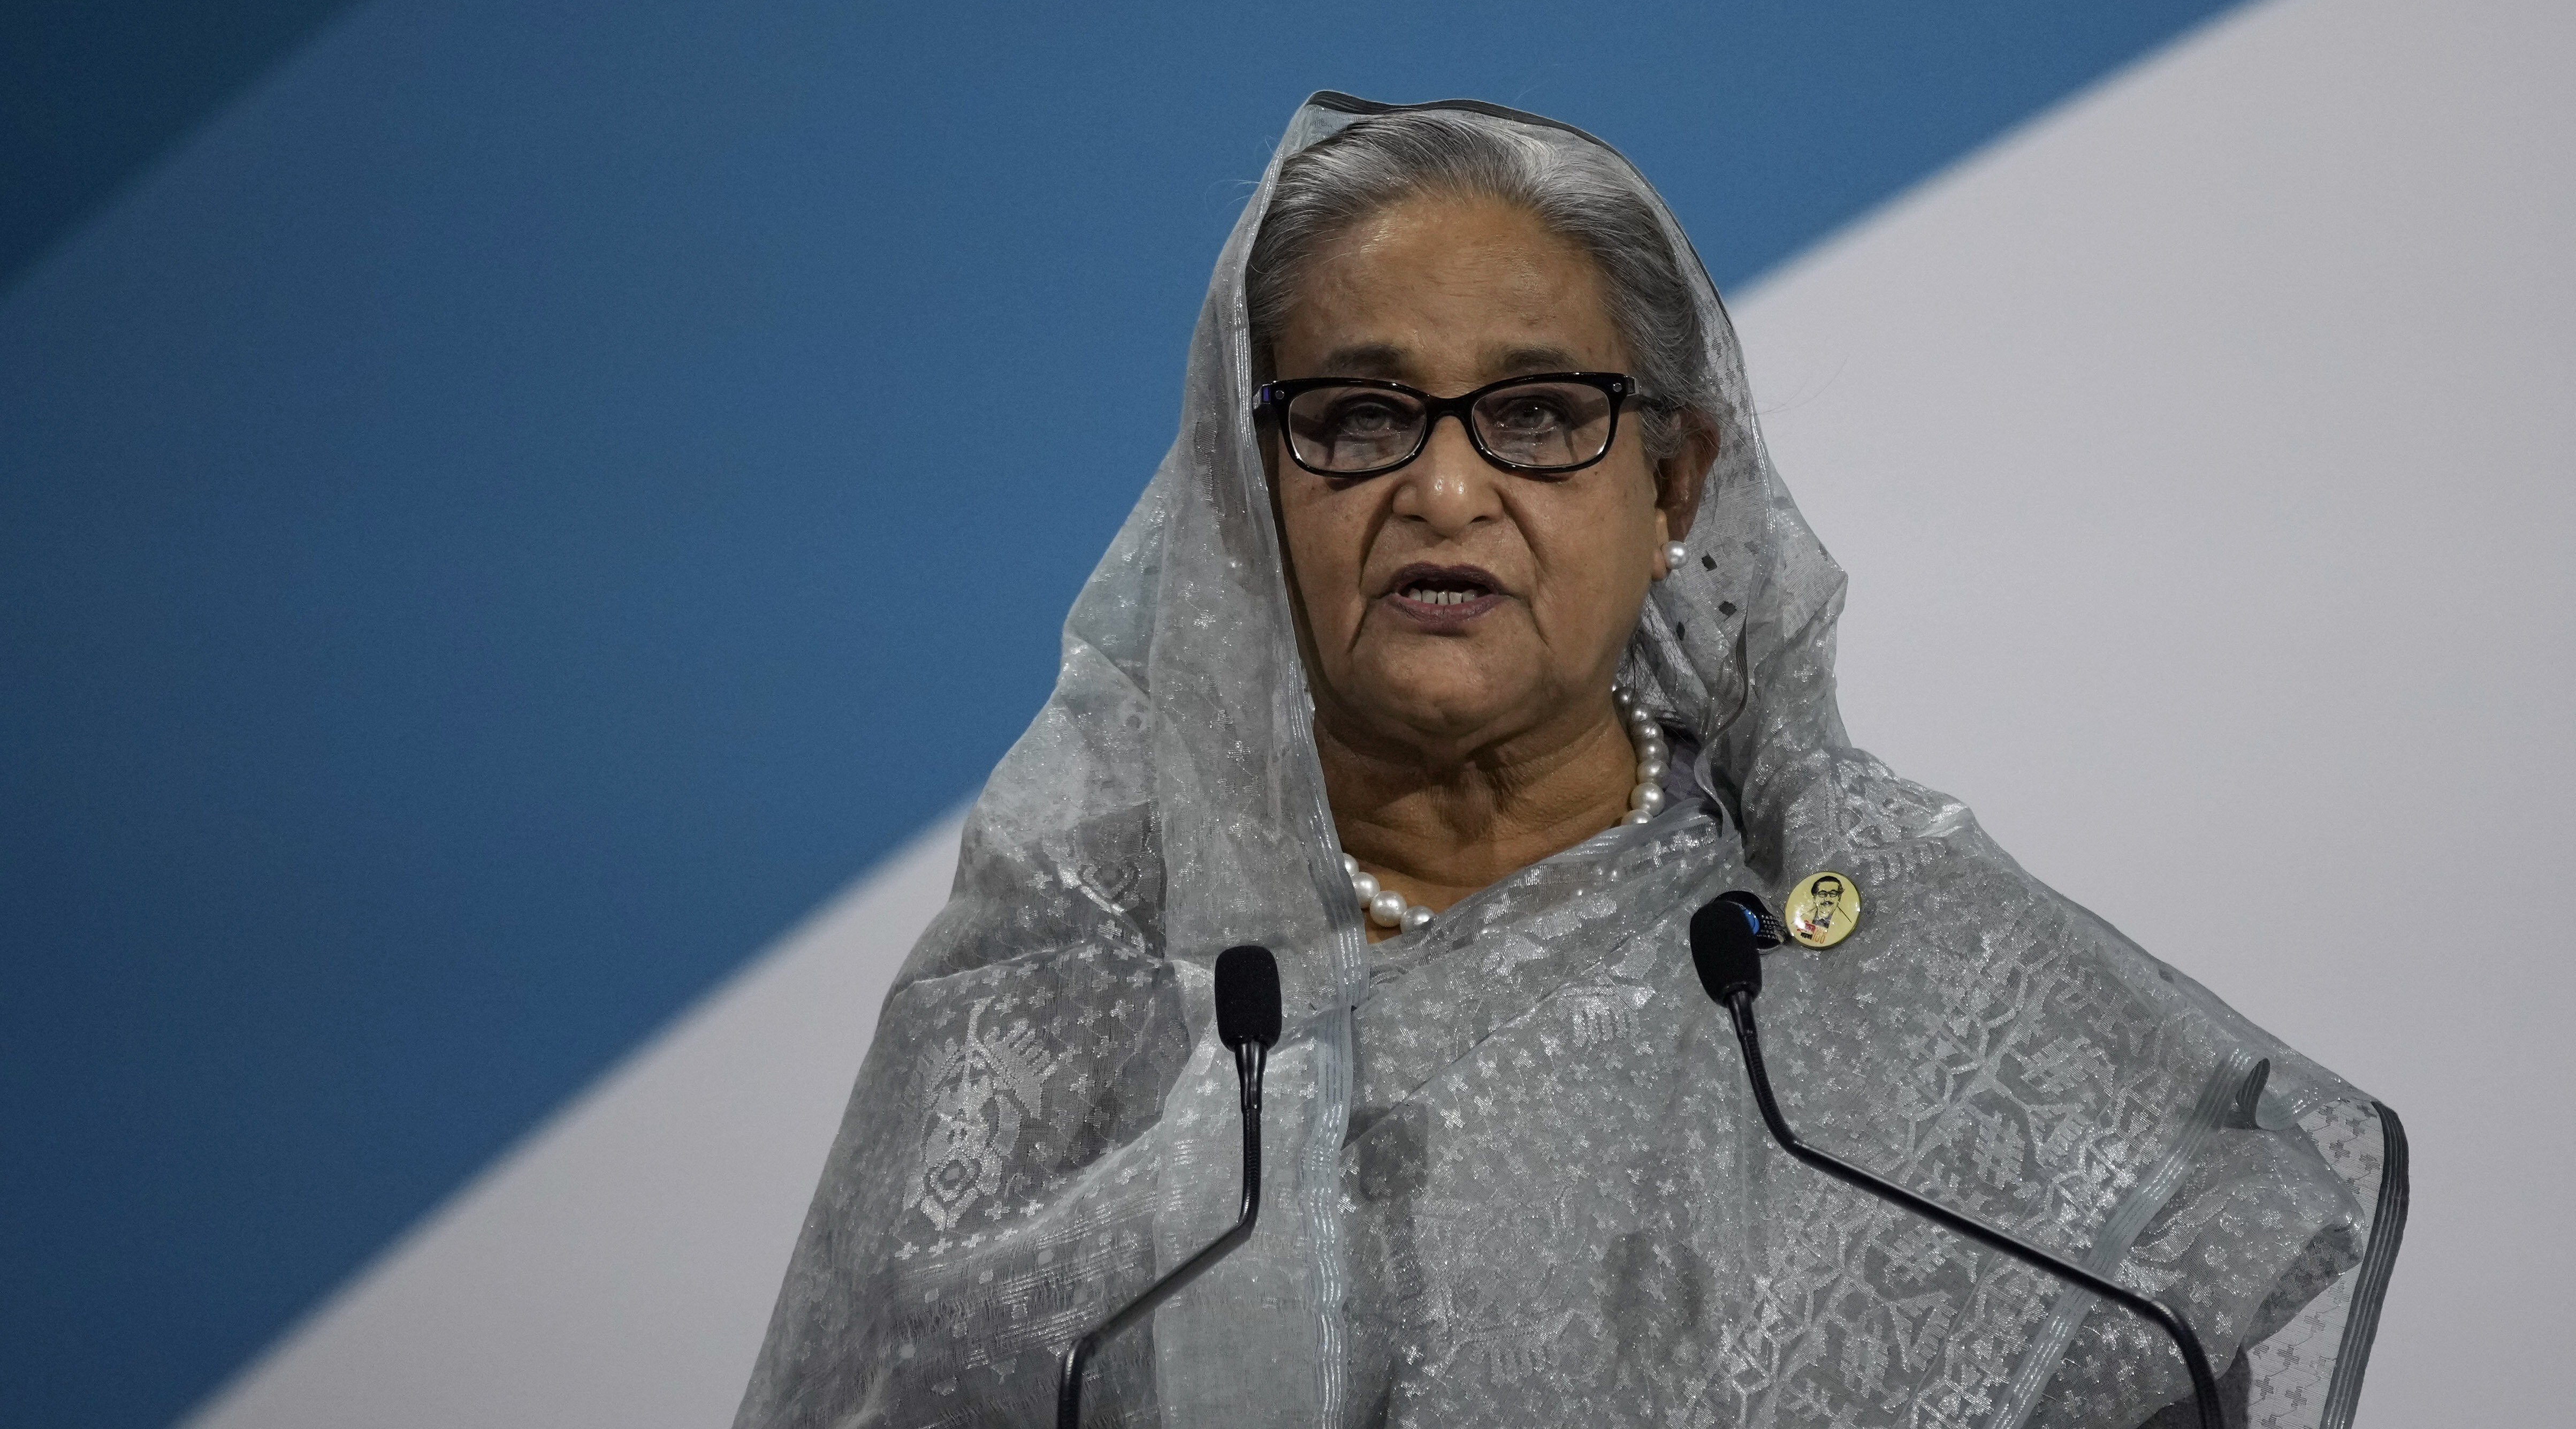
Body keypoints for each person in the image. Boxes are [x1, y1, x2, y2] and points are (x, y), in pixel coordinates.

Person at [734, 96, 2404, 1428]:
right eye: (1357, 415)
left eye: (1538, 414)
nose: (1446, 491)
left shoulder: (1885, 973)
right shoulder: (1072, 978)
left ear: (1674, 481)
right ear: (1248, 488)